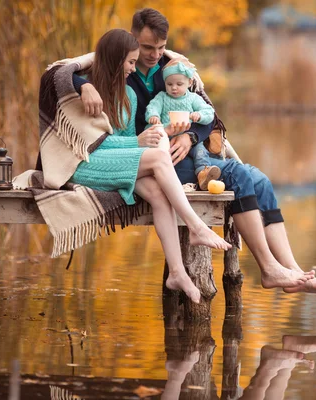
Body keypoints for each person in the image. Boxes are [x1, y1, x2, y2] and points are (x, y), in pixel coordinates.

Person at [76, 9, 316, 293]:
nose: (154, 55)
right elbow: (63, 74)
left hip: (183, 151)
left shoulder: (173, 69)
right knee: (237, 175)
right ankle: (269, 268)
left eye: (161, 47)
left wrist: (190, 135)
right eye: (147, 47)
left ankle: (293, 272)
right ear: (134, 39)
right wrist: (84, 84)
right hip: (156, 159)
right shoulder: (120, 67)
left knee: (260, 180)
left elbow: (208, 116)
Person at [63, 29, 239, 304]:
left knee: (158, 190)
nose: (134, 68)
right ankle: (195, 226)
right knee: (157, 156)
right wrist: (138, 141)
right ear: (115, 58)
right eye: (130, 62)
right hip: (84, 165)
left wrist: (159, 132)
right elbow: (88, 146)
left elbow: (125, 143)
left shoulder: (129, 96)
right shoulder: (85, 91)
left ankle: (177, 273)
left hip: (115, 164)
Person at [145, 58, 221, 191]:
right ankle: (159, 173)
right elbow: (152, 107)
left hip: (188, 139)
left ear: (189, 82)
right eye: (169, 84)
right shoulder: (162, 97)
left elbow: (209, 112)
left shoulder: (193, 98)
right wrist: (154, 116)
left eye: (179, 84)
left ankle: (203, 173)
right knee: (159, 148)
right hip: (168, 138)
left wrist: (200, 115)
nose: (174, 88)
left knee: (200, 151)